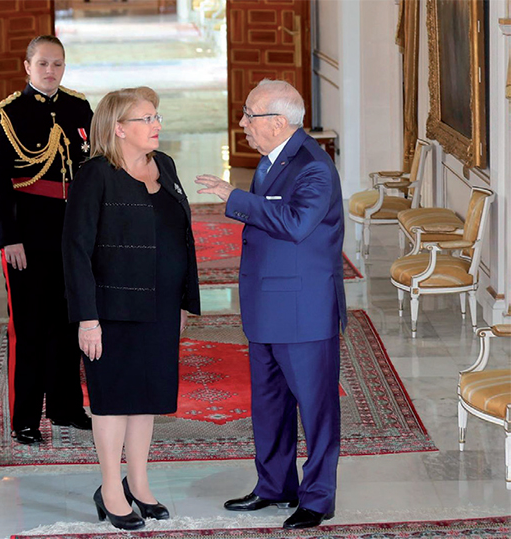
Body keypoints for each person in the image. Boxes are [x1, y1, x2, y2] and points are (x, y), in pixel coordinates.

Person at [195, 80, 347, 530]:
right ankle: (275, 485)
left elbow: (297, 223)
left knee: (316, 411)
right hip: (267, 307)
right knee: (269, 405)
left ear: (278, 122)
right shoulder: (271, 159)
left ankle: (317, 499)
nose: (242, 122)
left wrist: (234, 197)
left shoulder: (314, 167)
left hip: (304, 311)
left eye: (250, 114)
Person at [62, 86, 201, 531]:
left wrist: (184, 300)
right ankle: (110, 490)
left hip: (161, 305)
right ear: (119, 128)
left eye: (156, 116)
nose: (157, 124)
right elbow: (76, 250)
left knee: (146, 397)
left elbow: (181, 236)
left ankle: (138, 483)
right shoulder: (95, 175)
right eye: (147, 118)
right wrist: (87, 319)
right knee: (113, 400)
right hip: (112, 310)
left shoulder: (166, 165)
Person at [0, 35, 93, 445]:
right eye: (43, 63)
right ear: (27, 66)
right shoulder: (7, 116)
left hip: (71, 234)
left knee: (68, 322)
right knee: (29, 328)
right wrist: (8, 237)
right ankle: (25, 419)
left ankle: (66, 407)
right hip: (26, 237)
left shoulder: (79, 108)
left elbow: (91, 169)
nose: (50, 71)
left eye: (57, 63)